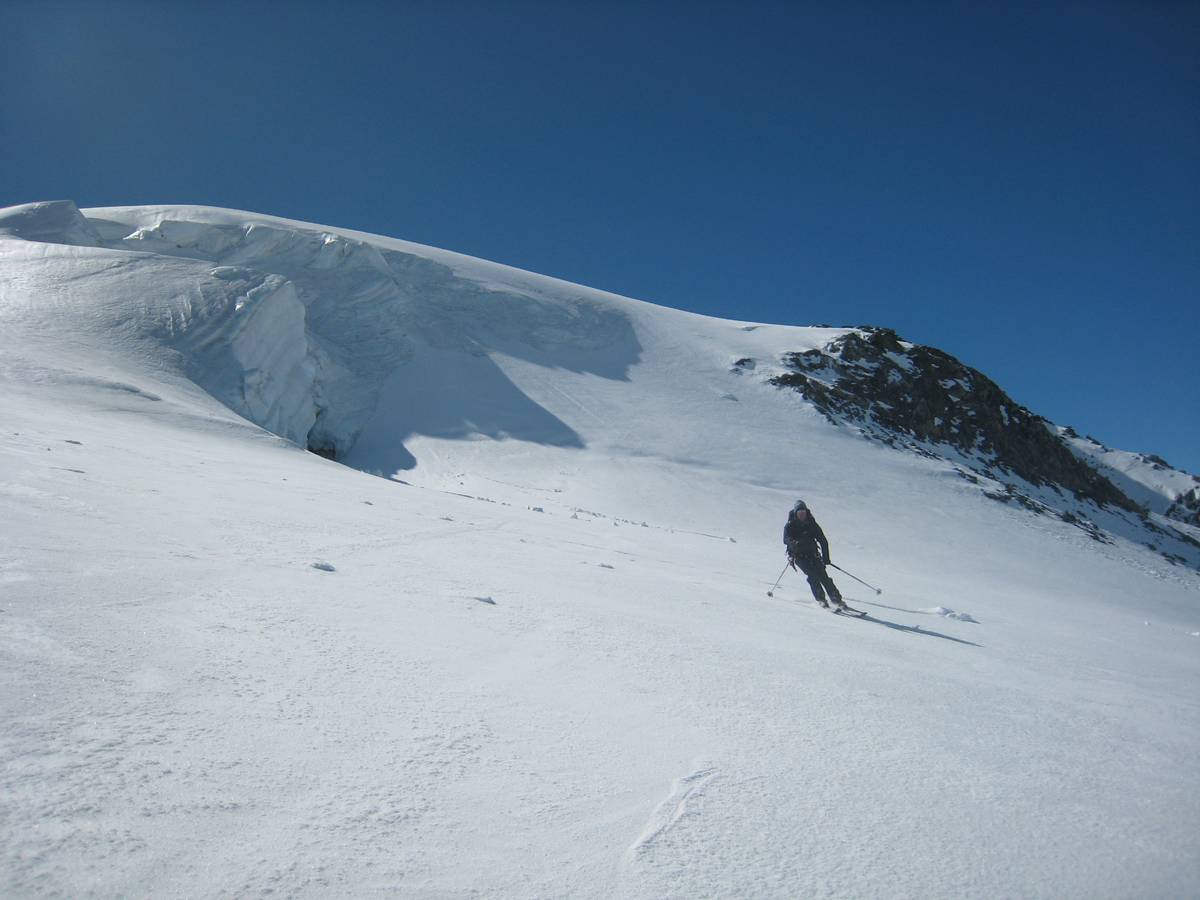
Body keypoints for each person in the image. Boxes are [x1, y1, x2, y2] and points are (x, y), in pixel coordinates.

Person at [782, 499, 844, 609]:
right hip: (798, 556)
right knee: (812, 575)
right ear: (796, 513)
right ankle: (821, 600)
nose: (802, 515)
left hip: (813, 554)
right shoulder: (790, 525)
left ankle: (836, 599)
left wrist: (826, 558)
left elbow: (823, 540)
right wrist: (793, 543)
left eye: (804, 513)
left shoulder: (811, 524)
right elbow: (785, 539)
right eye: (800, 513)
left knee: (823, 576)